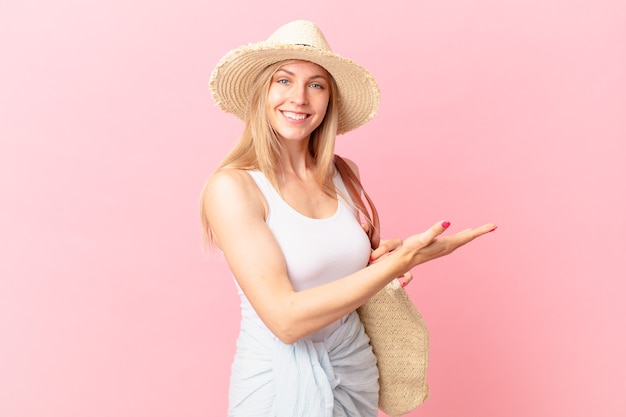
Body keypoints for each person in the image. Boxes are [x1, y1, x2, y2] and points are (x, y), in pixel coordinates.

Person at [200, 20, 496, 417]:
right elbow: (285, 320)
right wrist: (398, 263)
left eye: (316, 84)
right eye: (283, 80)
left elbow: (350, 276)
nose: (299, 98)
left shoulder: (343, 174)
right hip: (276, 384)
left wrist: (386, 260)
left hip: (354, 370)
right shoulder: (233, 188)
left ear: (329, 100)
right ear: (261, 92)